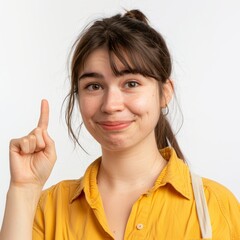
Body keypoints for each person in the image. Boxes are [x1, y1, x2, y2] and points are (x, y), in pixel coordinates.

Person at [0, 9, 239, 240]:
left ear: (165, 92)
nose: (111, 105)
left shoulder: (216, 206)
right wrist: (23, 189)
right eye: (94, 86)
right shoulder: (47, 209)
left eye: (131, 83)